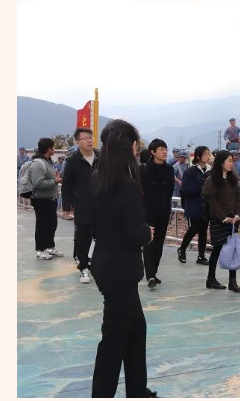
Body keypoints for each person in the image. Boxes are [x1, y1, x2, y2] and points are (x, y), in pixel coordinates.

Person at [88, 119, 156, 398]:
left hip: (106, 263)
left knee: (136, 329)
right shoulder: (127, 185)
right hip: (121, 270)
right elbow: (135, 233)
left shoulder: (97, 178)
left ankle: (137, 390)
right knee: (114, 339)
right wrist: (147, 232)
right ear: (131, 146)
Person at [61, 127, 99, 284]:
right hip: (82, 205)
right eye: (85, 138)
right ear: (77, 142)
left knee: (102, 237)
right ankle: (84, 267)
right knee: (83, 238)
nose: (89, 140)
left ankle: (97, 266)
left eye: (91, 137)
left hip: (102, 205)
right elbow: (66, 184)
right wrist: (67, 204)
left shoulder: (102, 158)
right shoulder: (73, 161)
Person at [201, 150, 240, 291]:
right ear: (221, 162)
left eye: (232, 161)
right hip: (218, 220)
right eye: (229, 161)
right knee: (217, 249)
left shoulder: (233, 178)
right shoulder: (212, 179)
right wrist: (223, 217)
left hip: (233, 220)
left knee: (233, 249)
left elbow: (238, 198)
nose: (232, 163)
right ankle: (210, 279)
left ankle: (232, 281)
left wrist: (237, 214)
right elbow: (211, 201)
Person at [140, 138, 174, 288]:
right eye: (161, 149)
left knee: (159, 244)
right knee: (149, 243)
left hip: (164, 211)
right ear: (153, 152)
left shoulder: (169, 169)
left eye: (165, 149)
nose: (164, 151)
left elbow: (170, 190)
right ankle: (150, 275)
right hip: (148, 212)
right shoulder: (144, 169)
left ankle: (153, 272)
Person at [28, 137, 63, 260]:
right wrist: (55, 181)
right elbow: (38, 183)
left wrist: (55, 179)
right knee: (42, 225)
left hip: (50, 198)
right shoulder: (38, 164)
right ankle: (40, 250)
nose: (54, 149)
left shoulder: (48, 161)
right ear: (49, 149)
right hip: (40, 200)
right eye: (53, 147)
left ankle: (49, 247)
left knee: (51, 224)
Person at [177, 146, 211, 265]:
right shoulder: (190, 171)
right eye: (205, 154)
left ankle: (201, 256)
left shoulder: (210, 170)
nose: (208, 156)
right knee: (193, 229)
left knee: (203, 231)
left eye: (208, 154)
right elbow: (185, 189)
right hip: (194, 206)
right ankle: (182, 249)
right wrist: (201, 186)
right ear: (198, 156)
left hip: (206, 206)